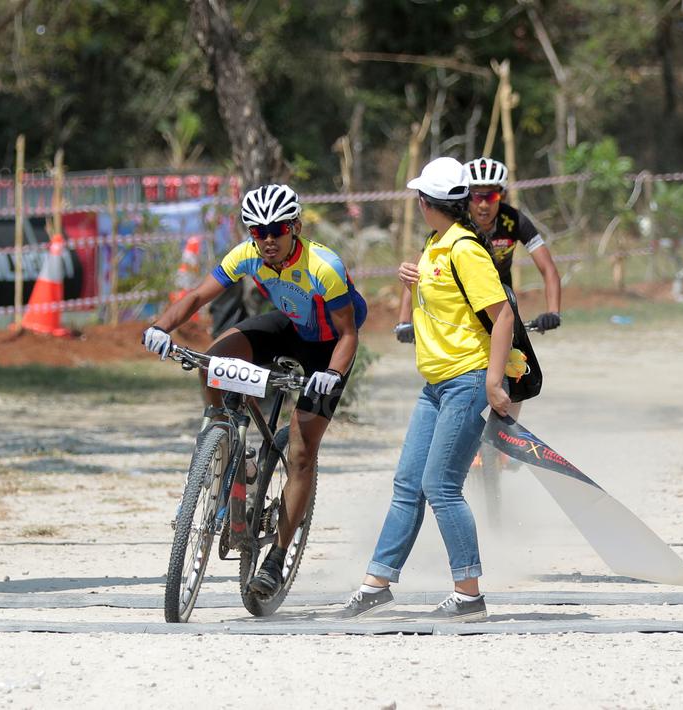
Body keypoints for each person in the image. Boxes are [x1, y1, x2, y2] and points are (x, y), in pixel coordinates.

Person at [142, 183, 367, 596]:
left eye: (277, 230)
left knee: (301, 452)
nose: (267, 240)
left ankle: (276, 560)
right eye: (258, 231)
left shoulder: (324, 265)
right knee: (211, 362)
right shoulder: (246, 253)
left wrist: (333, 373)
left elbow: (349, 334)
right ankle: (226, 439)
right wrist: (161, 327)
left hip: (329, 345)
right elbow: (198, 295)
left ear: (295, 227)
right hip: (290, 325)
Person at [338, 157, 514, 621]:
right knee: (408, 484)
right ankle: (376, 585)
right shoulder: (436, 244)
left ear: (425, 202)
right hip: (436, 384)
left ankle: (469, 595)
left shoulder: (465, 249)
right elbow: (441, 298)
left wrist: (493, 382)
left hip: (467, 381)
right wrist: (412, 281)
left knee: (441, 486)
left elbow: (503, 317)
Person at [394, 157, 561, 344]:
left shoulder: (514, 220)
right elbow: (417, 270)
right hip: (462, 307)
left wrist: (553, 311)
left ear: (503, 196)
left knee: (514, 355)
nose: (483, 205)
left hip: (500, 301)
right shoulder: (456, 222)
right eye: (476, 197)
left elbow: (548, 268)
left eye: (491, 197)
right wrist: (404, 322)